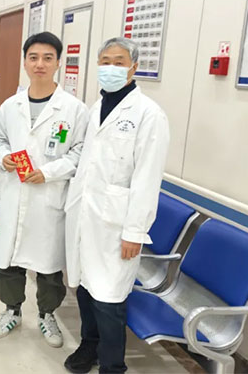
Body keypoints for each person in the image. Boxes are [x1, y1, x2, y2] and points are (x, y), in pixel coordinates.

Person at [63, 37, 169, 373]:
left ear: (134, 67)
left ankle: (112, 365)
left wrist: (135, 232)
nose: (111, 68)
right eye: (105, 61)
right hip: (85, 214)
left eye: (119, 62)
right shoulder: (96, 107)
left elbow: (147, 179)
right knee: (85, 287)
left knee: (109, 298)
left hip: (117, 223)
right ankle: (89, 345)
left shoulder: (149, 115)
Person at [0, 32, 88, 348]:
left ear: (58, 63)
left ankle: (47, 314)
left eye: (48, 58)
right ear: (25, 62)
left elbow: (80, 152)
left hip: (49, 197)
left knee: (48, 265)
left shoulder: (74, 109)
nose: (40, 64)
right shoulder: (10, 105)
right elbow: (0, 140)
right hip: (14, 193)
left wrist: (48, 172)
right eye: (33, 57)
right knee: (9, 259)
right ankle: (12, 310)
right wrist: (3, 157)